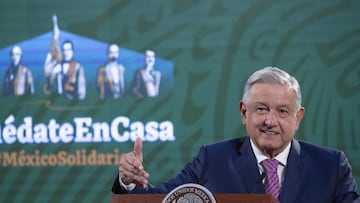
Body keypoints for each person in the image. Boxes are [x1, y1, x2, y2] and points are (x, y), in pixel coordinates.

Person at [112, 67, 360, 202]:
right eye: (261, 109)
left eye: (283, 111)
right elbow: (163, 200)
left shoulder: (331, 166)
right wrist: (129, 181)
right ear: (244, 112)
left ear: (298, 117)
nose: (270, 121)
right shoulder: (213, 159)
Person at [44, 14, 86, 100]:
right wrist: (53, 73)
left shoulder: (78, 66)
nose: (66, 52)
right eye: (64, 50)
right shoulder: (57, 65)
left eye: (68, 50)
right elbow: (47, 88)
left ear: (72, 51)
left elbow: (82, 92)